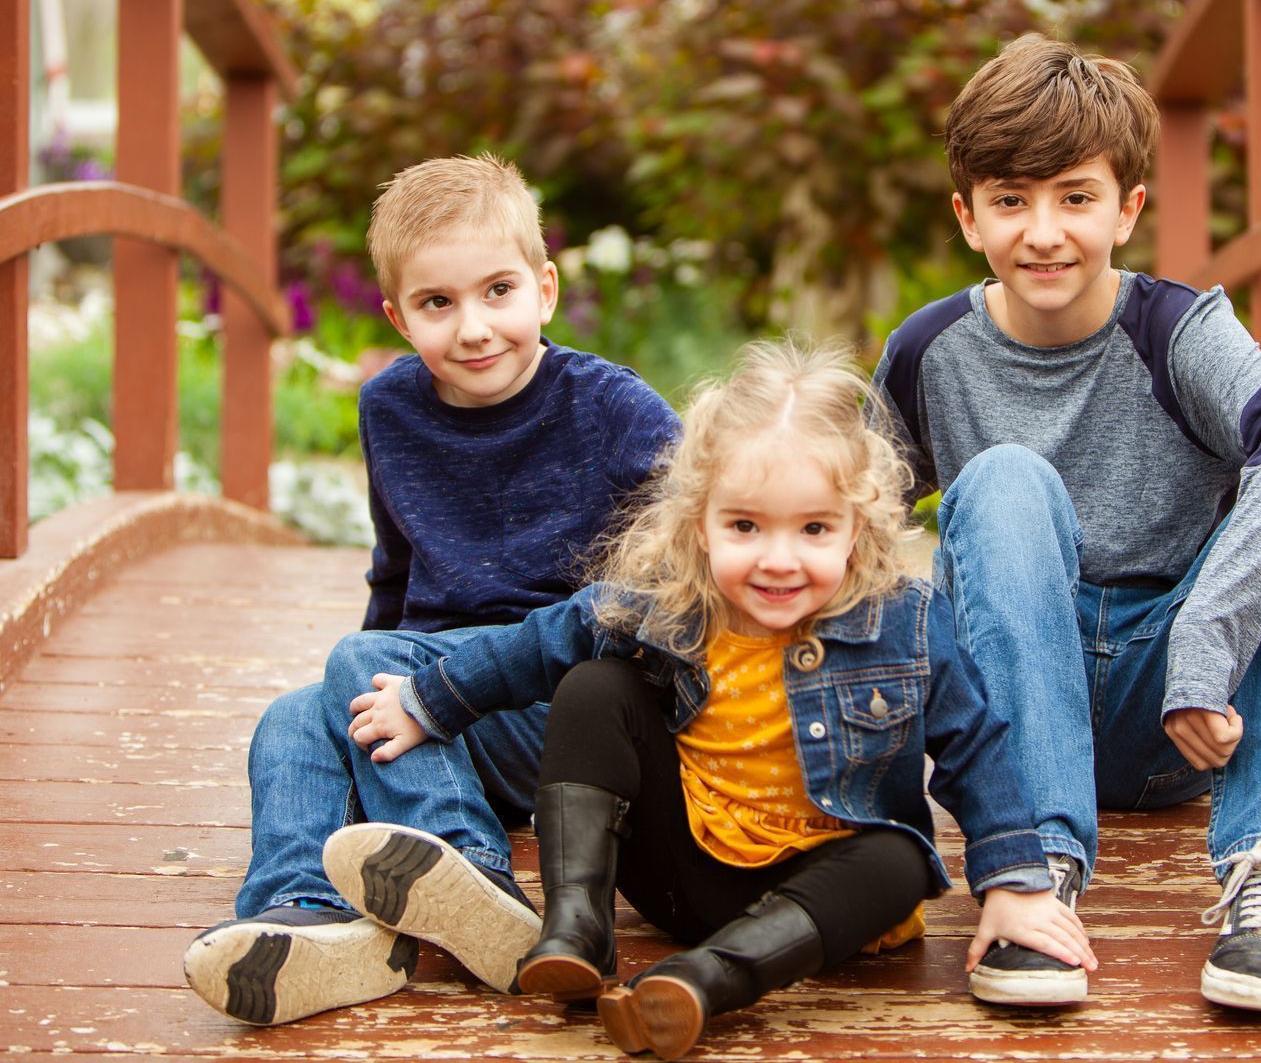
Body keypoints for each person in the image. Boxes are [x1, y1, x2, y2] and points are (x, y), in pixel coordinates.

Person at [330, 340, 1095, 1060]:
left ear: (857, 530)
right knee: (595, 685)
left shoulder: (903, 620)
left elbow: (976, 747)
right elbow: (534, 646)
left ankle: (703, 982)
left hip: (825, 897)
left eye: (814, 529)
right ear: (698, 524)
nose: (777, 559)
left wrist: (1015, 883)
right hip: (681, 875)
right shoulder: (666, 604)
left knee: (902, 857)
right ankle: (576, 927)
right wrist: (427, 701)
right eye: (744, 526)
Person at [869, 33, 1261, 1014]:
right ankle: (1033, 874)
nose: (1044, 231)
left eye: (1075, 196)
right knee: (1005, 479)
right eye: (1011, 200)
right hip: (1005, 712)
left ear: (1128, 207)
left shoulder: (1175, 329)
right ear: (968, 215)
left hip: (1178, 710)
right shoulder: (931, 351)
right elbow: (843, 521)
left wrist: (1206, 635)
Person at [182, 154, 681, 1026]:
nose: (474, 327)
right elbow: (396, 568)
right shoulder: (391, 407)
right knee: (295, 718)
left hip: (562, 702)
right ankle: (307, 919)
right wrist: (364, 688)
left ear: (546, 289)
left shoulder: (612, 407)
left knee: (358, 663)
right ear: (396, 315)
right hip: (434, 704)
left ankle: (470, 868)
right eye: (437, 304)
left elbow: (675, 576)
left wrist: (379, 670)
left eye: (498, 291)